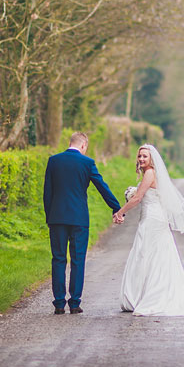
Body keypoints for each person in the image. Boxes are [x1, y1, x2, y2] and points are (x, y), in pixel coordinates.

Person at [114, 144, 184, 317]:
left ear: (151, 159)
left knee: (147, 254)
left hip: (152, 219)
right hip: (152, 218)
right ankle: (143, 295)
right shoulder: (150, 174)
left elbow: (138, 198)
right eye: (140, 156)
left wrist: (120, 212)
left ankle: (149, 296)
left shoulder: (150, 173)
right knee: (153, 255)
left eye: (145, 156)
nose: (141, 159)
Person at [43, 131, 122, 315]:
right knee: (78, 260)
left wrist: (50, 217)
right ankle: (75, 303)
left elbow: (47, 193)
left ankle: (59, 303)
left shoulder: (54, 161)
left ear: (70, 143)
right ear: (83, 145)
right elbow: (102, 186)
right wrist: (116, 208)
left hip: (57, 218)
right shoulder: (87, 163)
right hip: (79, 219)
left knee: (58, 259)